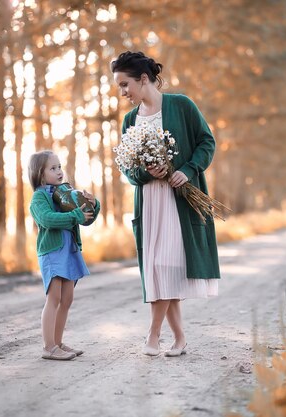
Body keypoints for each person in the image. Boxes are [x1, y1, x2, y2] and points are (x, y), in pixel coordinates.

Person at [111, 51, 220, 357]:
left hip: (178, 202)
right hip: (149, 203)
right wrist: (145, 173)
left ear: (143, 79)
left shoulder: (181, 105)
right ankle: (180, 339)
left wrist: (187, 171)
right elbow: (128, 169)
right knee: (159, 271)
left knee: (166, 266)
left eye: (124, 84)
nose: (122, 93)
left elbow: (206, 142)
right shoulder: (130, 120)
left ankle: (153, 335)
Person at [28, 150, 100, 360]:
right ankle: (48, 347)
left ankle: (58, 342)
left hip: (69, 251)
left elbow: (85, 219)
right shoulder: (39, 198)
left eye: (59, 167)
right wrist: (74, 215)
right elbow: (47, 219)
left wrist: (93, 204)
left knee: (67, 299)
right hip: (52, 252)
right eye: (53, 168)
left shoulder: (66, 192)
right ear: (40, 175)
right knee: (54, 297)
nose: (59, 171)